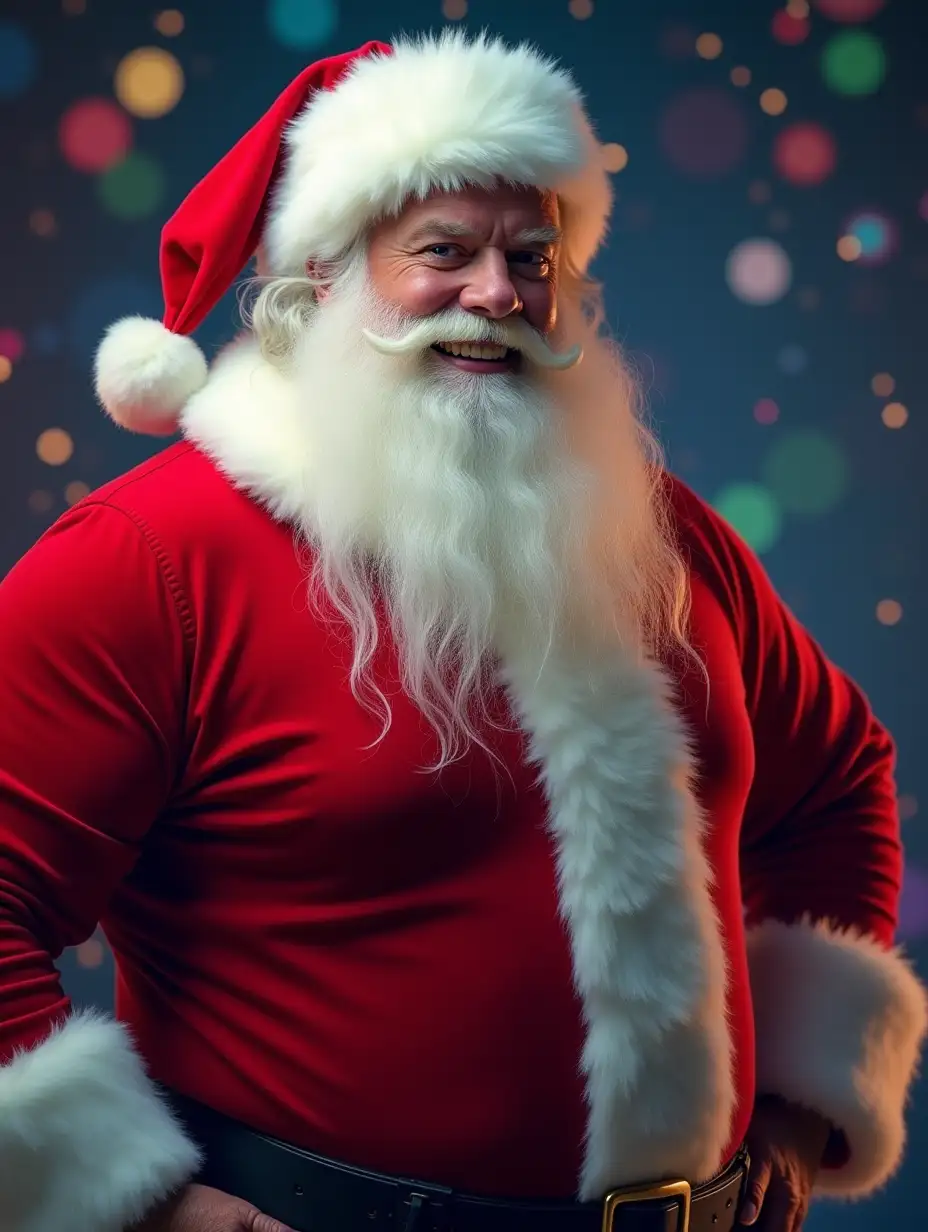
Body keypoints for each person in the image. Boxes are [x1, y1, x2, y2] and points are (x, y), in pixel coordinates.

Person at [0, 29, 924, 1232]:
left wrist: (805, 1091)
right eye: (443, 251)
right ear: (323, 280)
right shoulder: (150, 557)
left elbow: (838, 777)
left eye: (530, 255)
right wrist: (137, 1205)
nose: (495, 294)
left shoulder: (661, 538)